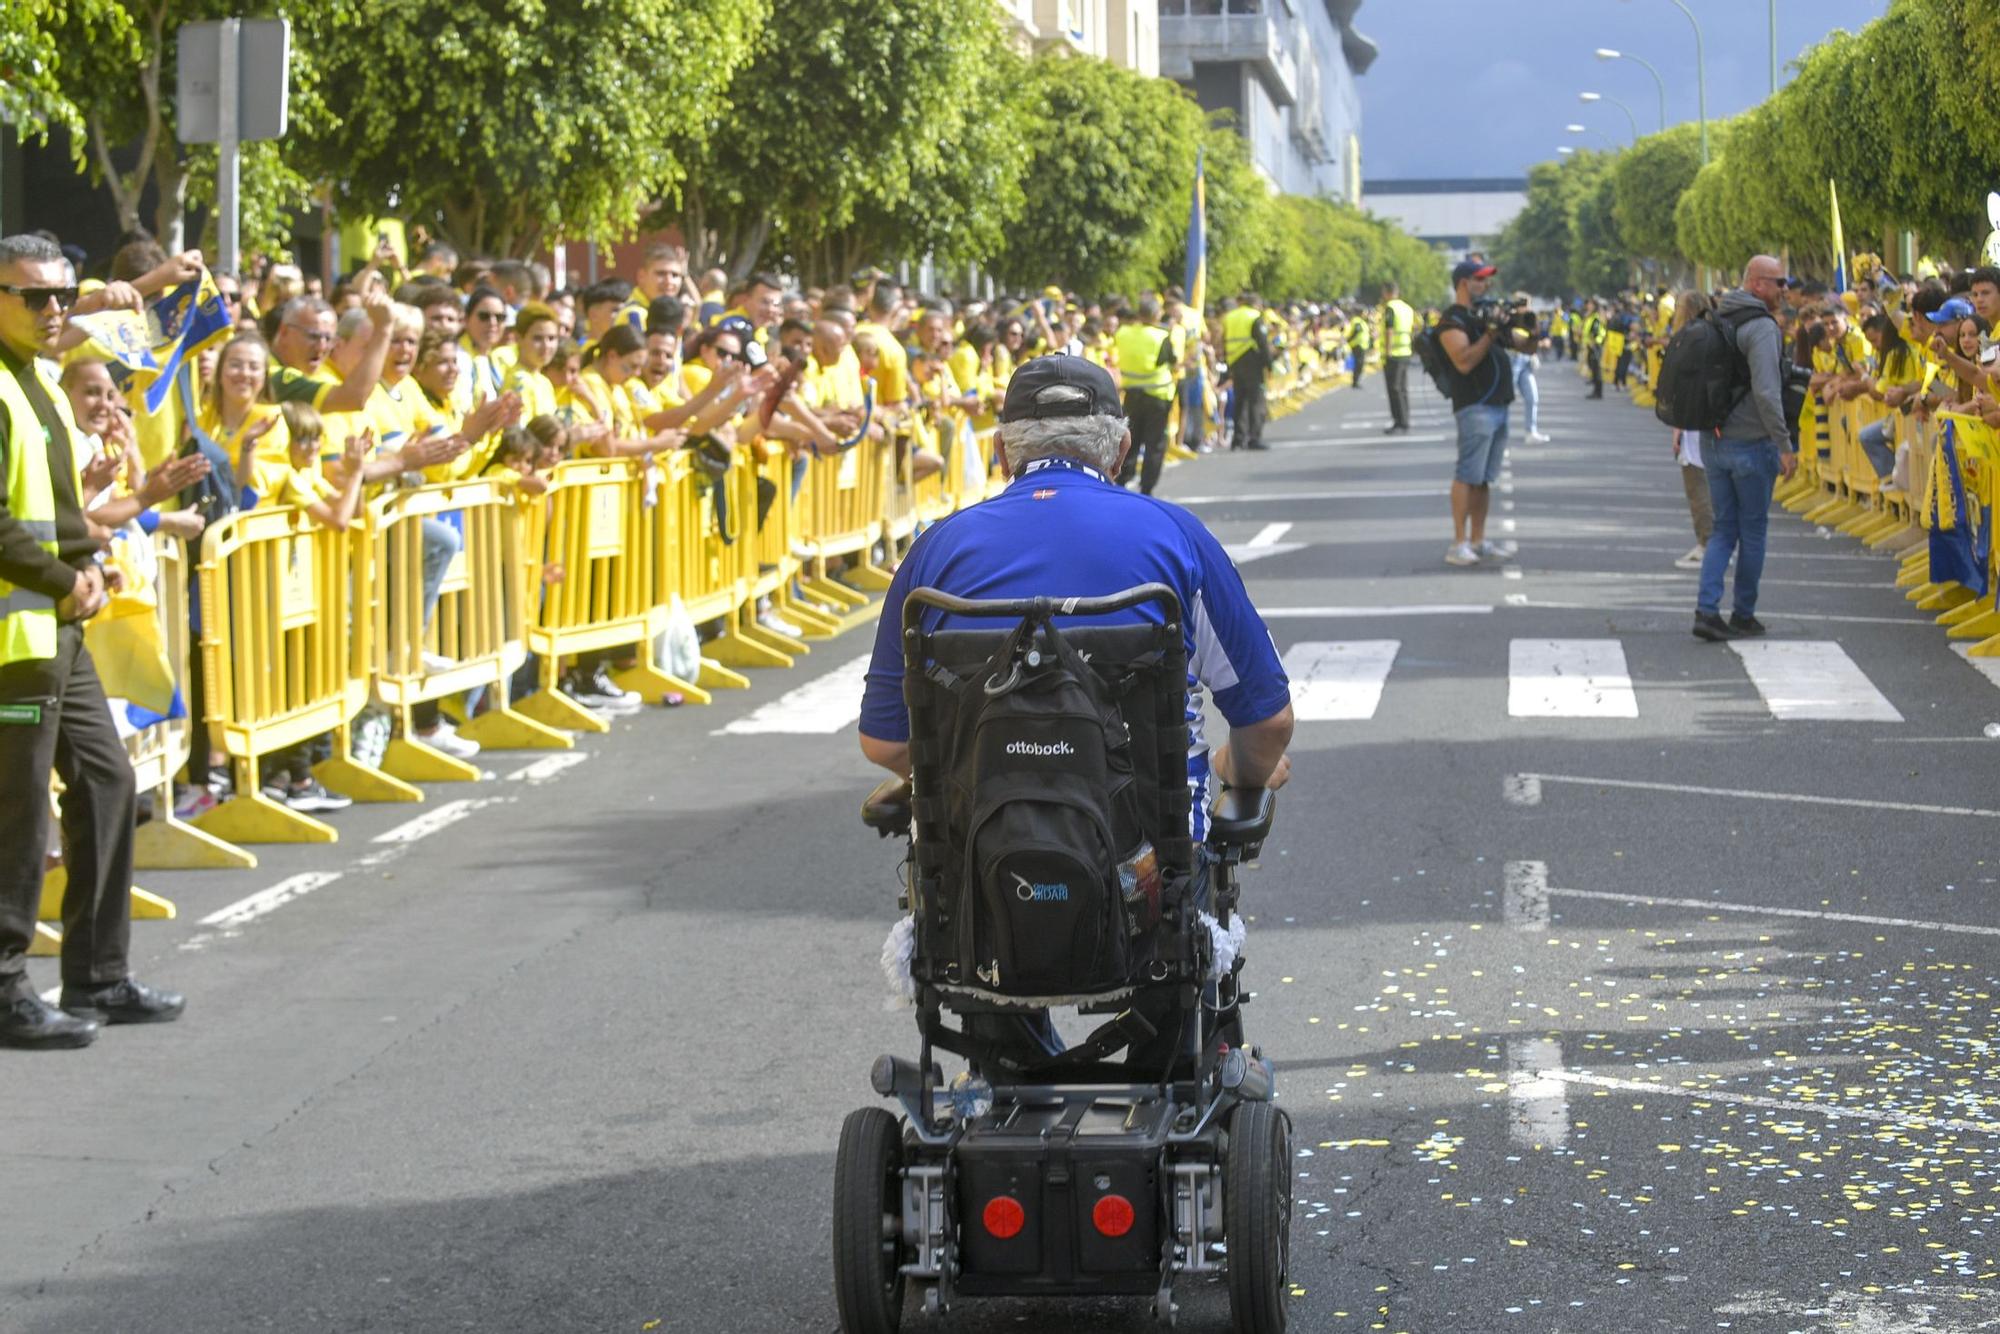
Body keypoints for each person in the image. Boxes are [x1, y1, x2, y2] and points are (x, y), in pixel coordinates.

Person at [856, 354, 1293, 1068]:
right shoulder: (1173, 538)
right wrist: (1236, 768)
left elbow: (884, 740)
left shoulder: (937, 551)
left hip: (983, 866)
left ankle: (1008, 1063)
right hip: (1144, 865)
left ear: (1002, 450)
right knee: (1193, 873)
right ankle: (1171, 1065)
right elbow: (1267, 721)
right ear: (1121, 448)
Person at [0, 233, 184, 1049]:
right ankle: (6, 989)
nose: (52, 311)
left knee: (109, 784)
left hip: (56, 631)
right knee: (14, 821)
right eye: (33, 297)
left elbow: (56, 502)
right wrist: (62, 576)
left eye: (60, 295)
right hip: (16, 639)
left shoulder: (37, 374)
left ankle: (98, 975)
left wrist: (88, 563)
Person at [1693, 256, 1799, 643]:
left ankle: (1706, 609)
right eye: (1779, 283)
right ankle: (1743, 613)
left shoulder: (1716, 318)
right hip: (1752, 444)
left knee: (1723, 529)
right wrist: (1785, 444)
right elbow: (1768, 393)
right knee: (1753, 529)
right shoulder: (1761, 327)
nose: (1785, 290)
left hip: (1713, 439)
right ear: (1757, 284)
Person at [1434, 260, 1521, 567]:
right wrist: (1490, 333)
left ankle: (1478, 540)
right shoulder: (1452, 320)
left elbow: (1528, 346)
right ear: (1463, 283)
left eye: (1487, 280)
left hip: (1499, 406)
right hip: (1475, 406)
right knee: (1467, 474)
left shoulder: (1485, 315)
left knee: (1484, 478)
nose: (1486, 285)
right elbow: (1464, 360)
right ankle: (1458, 543)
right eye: (1479, 279)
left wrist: (1527, 328)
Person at [1113, 293, 1179, 494]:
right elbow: (1172, 360)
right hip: (1158, 395)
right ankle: (1147, 487)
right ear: (1156, 314)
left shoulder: (1123, 333)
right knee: (1154, 444)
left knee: (1131, 440)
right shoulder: (1161, 336)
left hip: (1132, 395)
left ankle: (1123, 480)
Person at [1219, 294, 1270, 451]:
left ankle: (1238, 439)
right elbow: (1262, 341)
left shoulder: (1230, 317)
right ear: (1255, 304)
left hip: (1234, 361)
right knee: (1255, 401)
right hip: (1251, 360)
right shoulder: (1254, 316)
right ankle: (1254, 438)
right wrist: (1268, 363)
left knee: (1240, 401)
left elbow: (1223, 340)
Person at [1508, 293, 1550, 445]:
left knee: (1532, 397)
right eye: (1522, 303)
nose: (1526, 307)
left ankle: (1531, 431)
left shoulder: (1530, 319)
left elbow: (1535, 337)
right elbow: (1514, 339)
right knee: (1505, 398)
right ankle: (1498, 433)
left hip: (1525, 360)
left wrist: (1541, 341)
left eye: (1527, 304)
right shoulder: (1509, 319)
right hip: (1513, 359)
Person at [1379, 282, 1416, 434]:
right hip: (1405, 351)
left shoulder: (1390, 308)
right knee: (1402, 388)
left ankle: (1399, 422)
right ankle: (1404, 419)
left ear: (1387, 292)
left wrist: (1387, 353)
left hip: (1394, 354)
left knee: (1394, 389)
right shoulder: (1407, 308)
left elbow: (1389, 330)